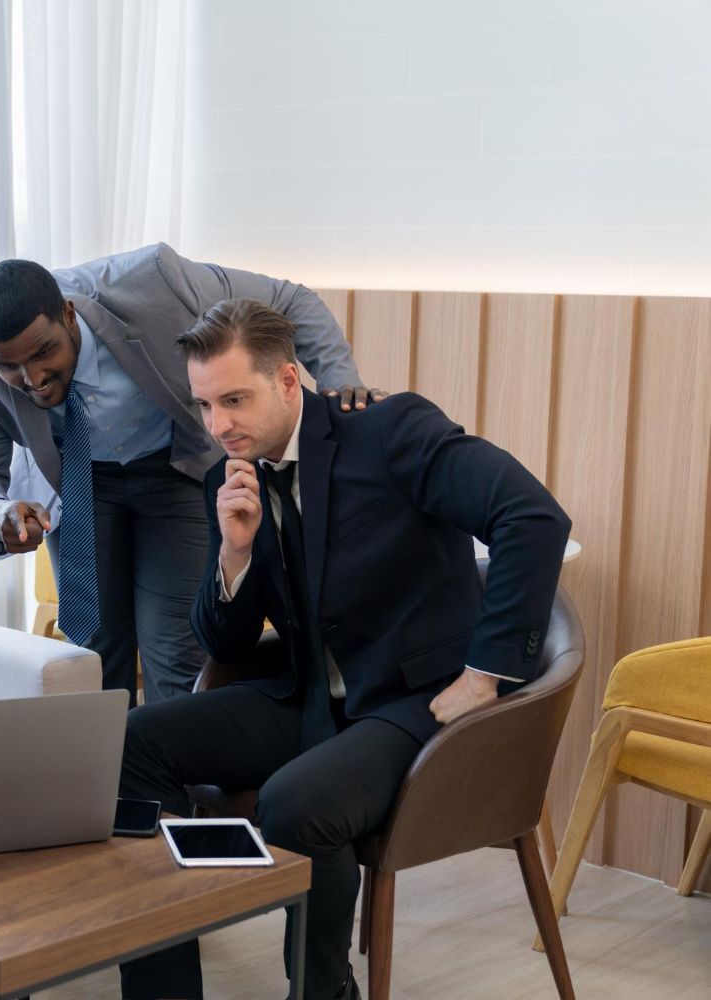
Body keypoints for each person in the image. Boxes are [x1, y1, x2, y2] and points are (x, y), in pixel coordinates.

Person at [116, 299, 572, 1000]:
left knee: (297, 803)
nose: (218, 426)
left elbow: (531, 516)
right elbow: (228, 643)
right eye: (205, 404)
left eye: (235, 399)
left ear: (290, 380)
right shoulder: (227, 480)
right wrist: (234, 556)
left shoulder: (390, 431)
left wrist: (486, 673)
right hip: (309, 698)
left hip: (415, 699)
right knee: (130, 742)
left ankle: (325, 991)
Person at [0, 244, 374, 705]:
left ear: (69, 315)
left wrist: (339, 381)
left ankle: (173, 773)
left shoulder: (154, 283)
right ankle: (102, 777)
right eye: (8, 365)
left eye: (44, 352)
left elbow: (291, 300)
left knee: (175, 652)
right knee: (92, 658)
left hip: (176, 471)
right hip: (76, 486)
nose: (33, 377)